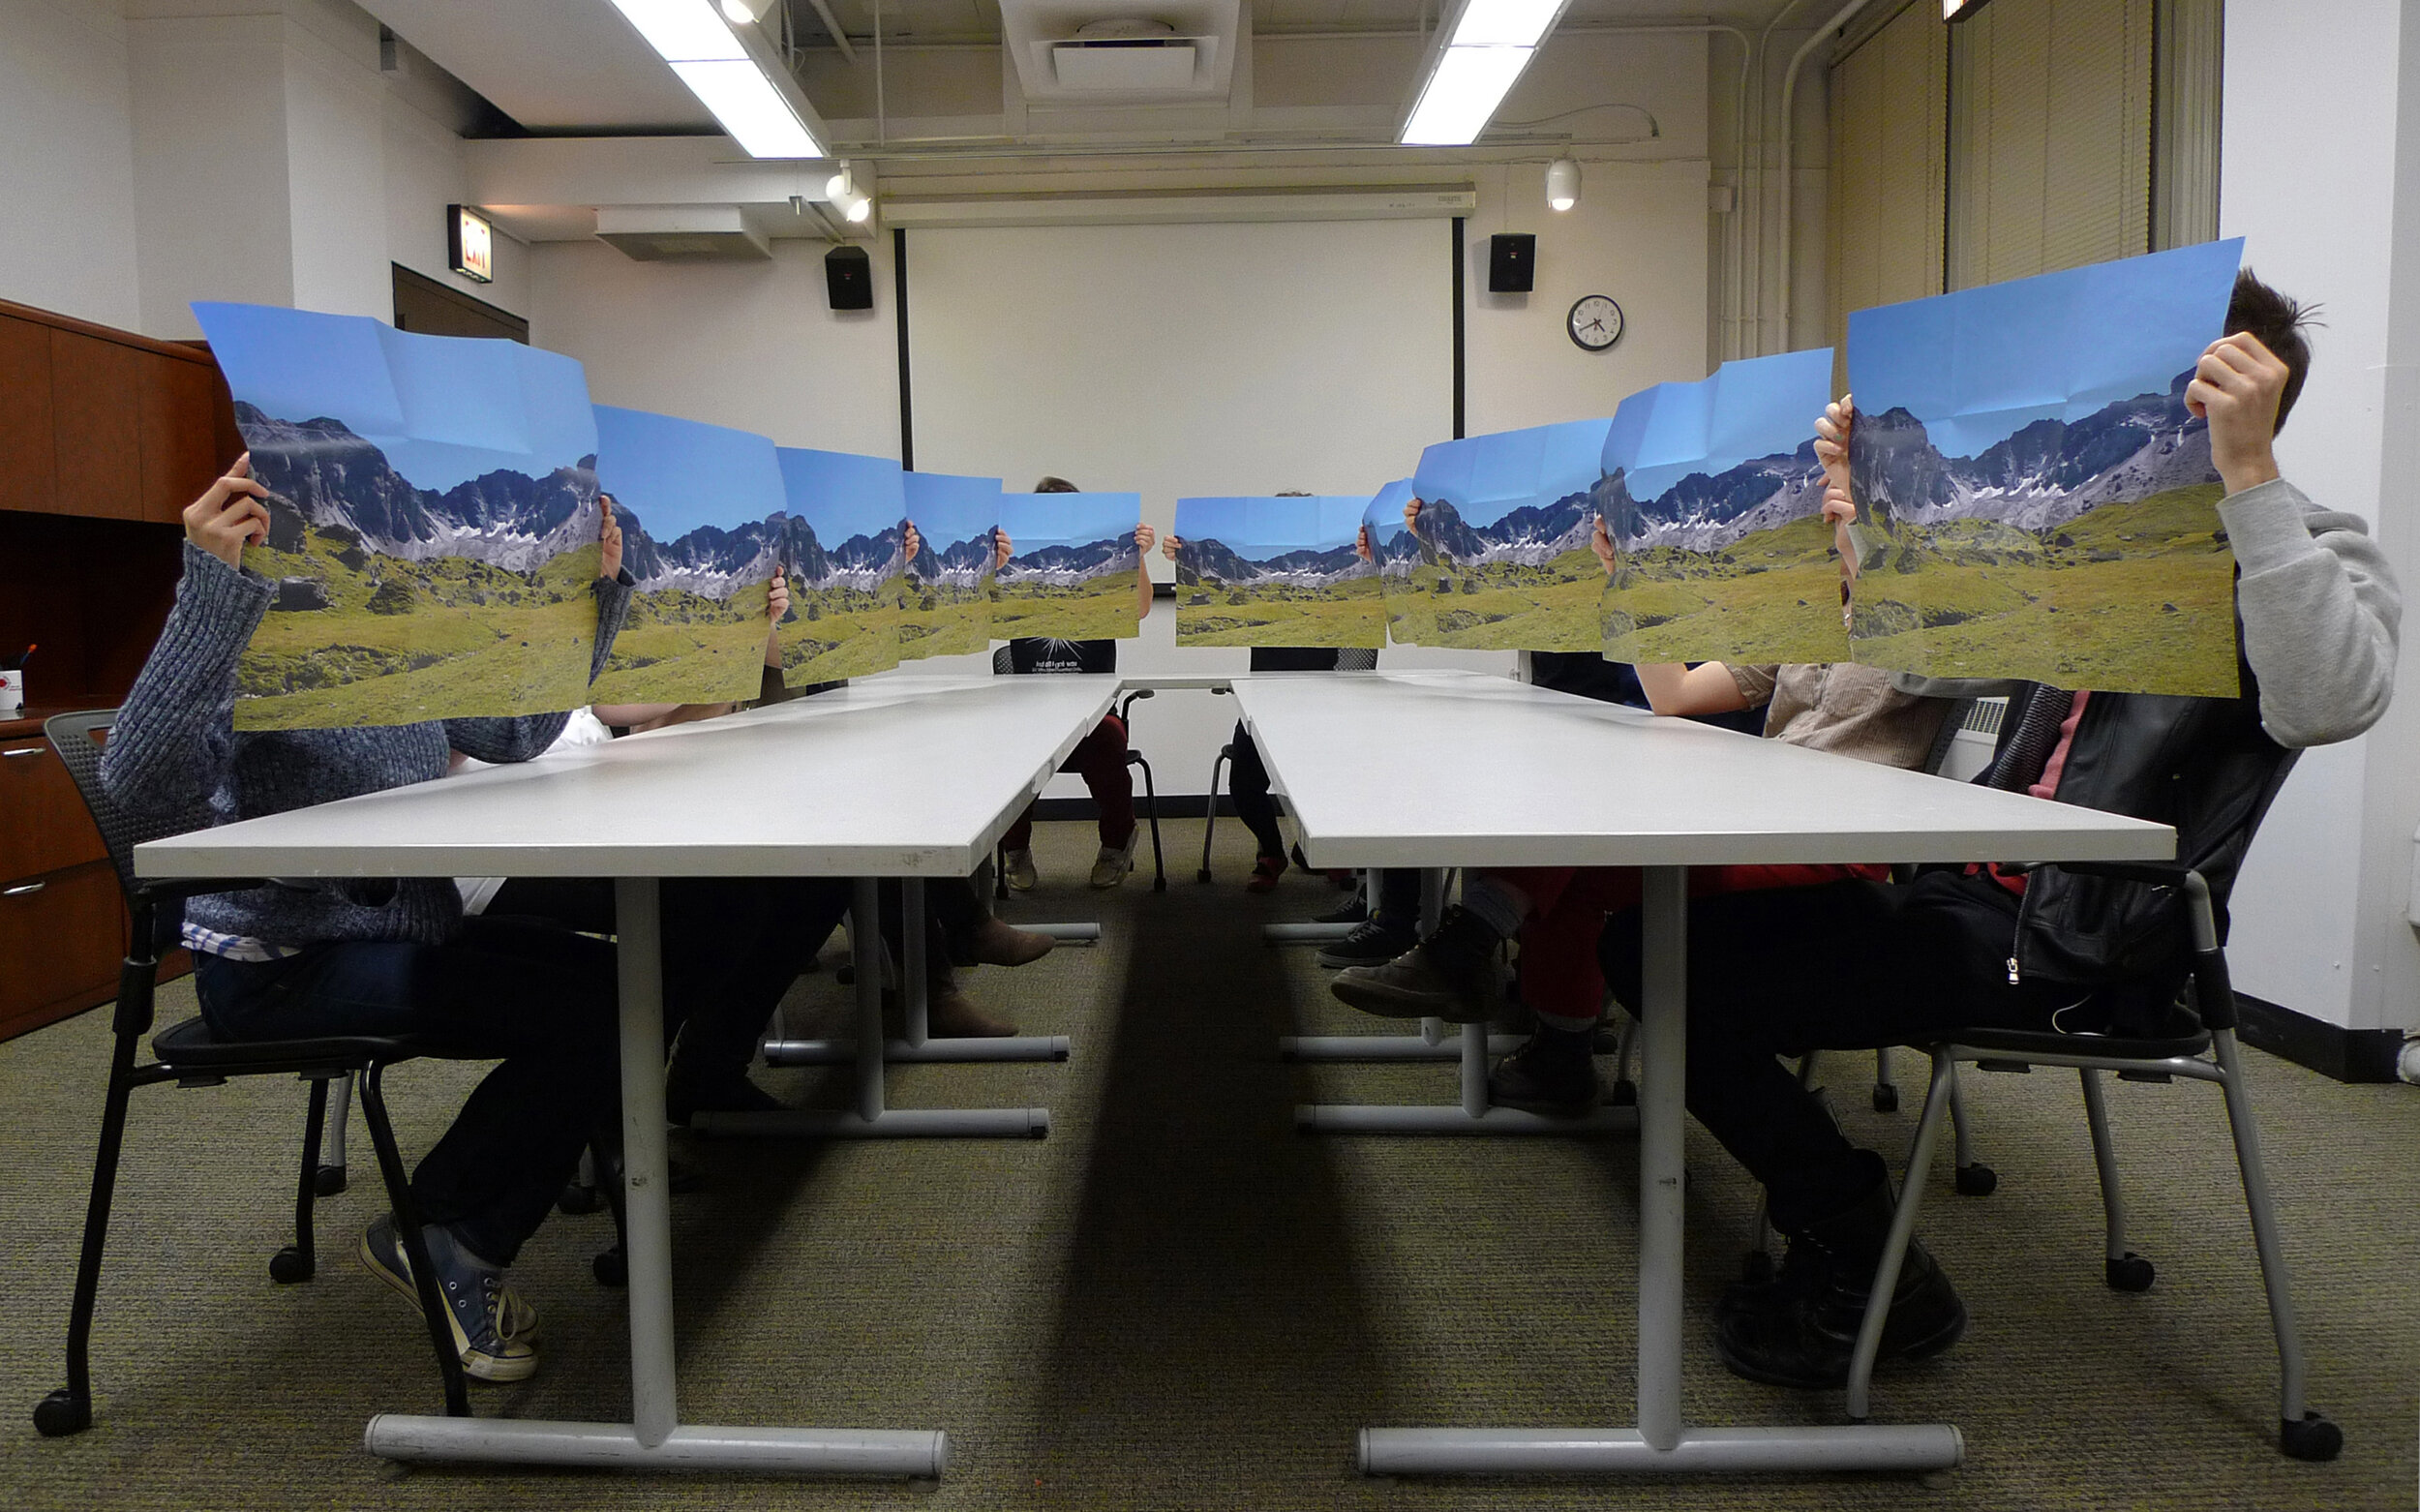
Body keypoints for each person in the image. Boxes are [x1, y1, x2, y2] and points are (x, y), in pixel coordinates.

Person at [1619, 271, 2394, 1392]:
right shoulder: (2089, 544)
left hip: (2097, 942)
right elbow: (1928, 659)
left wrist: (2251, 473)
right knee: (1651, 946)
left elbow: (2327, 701)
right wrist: (1864, 502)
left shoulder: (2306, 543)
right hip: (1967, 896)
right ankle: (1849, 1226)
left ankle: (1863, 1257)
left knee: (1693, 984)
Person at [102, 460, 637, 1385]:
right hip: (278, 965)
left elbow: (512, 734)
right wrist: (209, 589)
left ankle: (454, 1226)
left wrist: (594, 599)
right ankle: (446, 1239)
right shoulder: (249, 618)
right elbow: (142, 791)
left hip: (389, 931)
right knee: (597, 1013)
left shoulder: (389, 619)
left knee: (624, 987)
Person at [1331, 485, 1959, 1106]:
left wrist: (1866, 555)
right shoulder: (1812, 609)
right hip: (1760, 811)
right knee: (1571, 826)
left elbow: (1913, 649)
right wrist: (1623, 586)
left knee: (1578, 855)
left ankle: (1523, 1010)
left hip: (1833, 844)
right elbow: (1677, 697)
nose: (1828, 509)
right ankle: (1544, 1032)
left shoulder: (1935, 614)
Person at [993, 476, 1158, 890]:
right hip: (1028, 711)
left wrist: (1136, 557)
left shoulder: (1103, 565)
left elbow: (1139, 609)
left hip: (1094, 713)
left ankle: (1117, 845)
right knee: (1005, 751)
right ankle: (1015, 851)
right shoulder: (1013, 567)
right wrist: (993, 567)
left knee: (1105, 741)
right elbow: (973, 615)